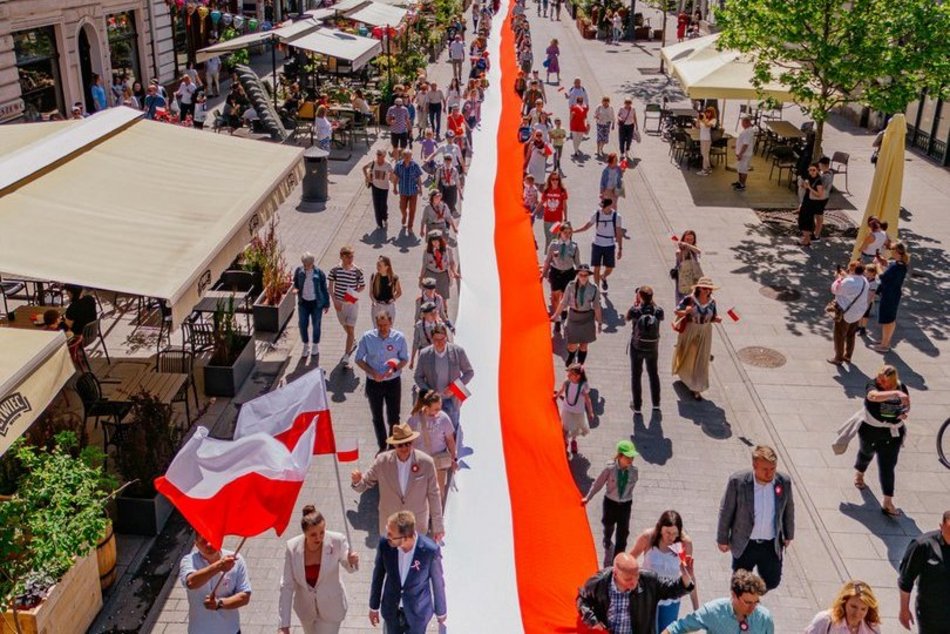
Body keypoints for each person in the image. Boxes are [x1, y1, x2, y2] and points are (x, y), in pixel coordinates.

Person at [716, 445, 795, 591]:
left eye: (773, 468)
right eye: (765, 469)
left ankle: (753, 598)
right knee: (740, 585)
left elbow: (788, 508)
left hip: (770, 544)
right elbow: (726, 510)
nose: (769, 473)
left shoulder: (783, 482)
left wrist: (789, 534)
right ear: (754, 465)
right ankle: (744, 605)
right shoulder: (738, 482)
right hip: (745, 544)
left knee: (772, 581)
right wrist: (722, 539)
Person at [352, 425, 445, 540]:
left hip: (416, 525)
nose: (405, 448)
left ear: (412, 442)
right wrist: (357, 481)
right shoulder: (382, 461)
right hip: (391, 526)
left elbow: (434, 495)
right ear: (394, 444)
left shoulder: (426, 463)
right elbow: (364, 484)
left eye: (408, 443)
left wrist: (438, 526)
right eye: (400, 445)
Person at [278, 506, 359, 634]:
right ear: (304, 533)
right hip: (306, 609)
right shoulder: (292, 548)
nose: (319, 538)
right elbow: (287, 586)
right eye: (313, 534)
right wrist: (284, 624)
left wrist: (351, 561)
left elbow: (349, 566)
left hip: (331, 607)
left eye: (322, 532)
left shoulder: (337, 540)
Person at [577, 552, 694, 634]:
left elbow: (673, 588)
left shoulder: (649, 580)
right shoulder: (599, 583)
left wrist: (685, 576)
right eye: (628, 580)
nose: (634, 583)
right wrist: (592, 620)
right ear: (615, 574)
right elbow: (582, 599)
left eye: (636, 576)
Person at [368, 511, 447, 633]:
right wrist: (374, 607)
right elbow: (378, 576)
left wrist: (441, 612)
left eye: (391, 536)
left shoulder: (429, 551)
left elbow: (438, 583)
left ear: (405, 537)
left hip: (418, 613)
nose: (387, 537)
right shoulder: (385, 544)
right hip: (391, 610)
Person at [630, 510, 700, 633]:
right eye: (668, 532)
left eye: (675, 533)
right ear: (660, 527)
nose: (671, 537)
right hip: (648, 595)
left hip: (671, 597)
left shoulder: (684, 543)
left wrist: (696, 608)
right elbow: (630, 559)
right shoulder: (648, 537)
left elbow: (689, 576)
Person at [853, 364, 909, 516]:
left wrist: (904, 412)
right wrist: (894, 394)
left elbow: (906, 405)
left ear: (892, 381)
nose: (880, 382)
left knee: (888, 466)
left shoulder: (901, 387)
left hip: (892, 434)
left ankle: (887, 501)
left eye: (884, 381)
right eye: (879, 378)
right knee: (866, 453)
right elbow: (873, 396)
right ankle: (860, 472)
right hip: (871, 430)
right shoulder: (873, 385)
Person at [354, 312, 409, 452]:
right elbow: (358, 359)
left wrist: (394, 369)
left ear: (391, 322)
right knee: (377, 416)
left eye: (385, 325)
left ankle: (392, 446)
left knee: (394, 416)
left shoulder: (399, 338)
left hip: (393, 382)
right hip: (374, 382)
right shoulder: (368, 337)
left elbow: (404, 359)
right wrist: (372, 372)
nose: (382, 328)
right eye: (380, 326)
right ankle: (382, 446)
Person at [180, 533, 252, 634]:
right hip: (199, 630)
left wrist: (219, 604)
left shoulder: (237, 559)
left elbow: (244, 597)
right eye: (203, 541)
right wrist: (219, 566)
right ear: (196, 544)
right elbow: (191, 583)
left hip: (230, 630)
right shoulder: (189, 560)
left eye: (212, 539)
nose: (209, 544)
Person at [662, 570, 772, 634]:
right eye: (748, 602)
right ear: (734, 595)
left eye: (756, 602)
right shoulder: (713, 611)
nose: (753, 607)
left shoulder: (764, 618)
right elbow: (677, 628)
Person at [414, 324, 474, 432]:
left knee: (452, 430)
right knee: (435, 432)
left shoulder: (458, 351)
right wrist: (430, 392)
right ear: (432, 339)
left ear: (446, 337)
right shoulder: (425, 354)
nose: (439, 343)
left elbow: (469, 372)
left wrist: (454, 388)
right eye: (436, 340)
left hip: (453, 399)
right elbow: (418, 377)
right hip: (433, 402)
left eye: (442, 339)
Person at [582, 440, 639, 554]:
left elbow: (631, 487)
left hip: (625, 504)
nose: (630, 460)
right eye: (628, 457)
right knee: (608, 524)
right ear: (620, 456)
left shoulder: (634, 471)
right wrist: (588, 497)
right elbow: (598, 483)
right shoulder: (610, 469)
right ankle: (607, 537)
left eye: (632, 457)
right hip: (610, 503)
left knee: (623, 533)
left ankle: (617, 561)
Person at [898, 510, 950, 633]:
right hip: (931, 614)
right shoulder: (923, 545)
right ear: (941, 526)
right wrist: (904, 609)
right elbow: (906, 580)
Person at [671, 276, 720, 400]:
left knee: (701, 358)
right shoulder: (689, 299)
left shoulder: (712, 301)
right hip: (690, 329)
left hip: (705, 331)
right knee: (689, 355)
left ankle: (696, 388)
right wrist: (685, 312)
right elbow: (676, 312)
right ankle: (685, 376)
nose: (707, 291)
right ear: (699, 288)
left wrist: (716, 319)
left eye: (709, 289)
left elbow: (713, 316)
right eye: (705, 288)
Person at [407, 390, 459, 503]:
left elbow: (450, 440)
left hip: (439, 462)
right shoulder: (414, 420)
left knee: (438, 492)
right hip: (420, 462)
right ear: (426, 407)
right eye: (436, 408)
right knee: (420, 492)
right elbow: (407, 441)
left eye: (440, 407)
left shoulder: (444, 418)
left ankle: (435, 517)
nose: (439, 410)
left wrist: (454, 458)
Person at [553, 264, 602, 366]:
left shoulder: (594, 288)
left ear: (588, 276)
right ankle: (571, 355)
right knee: (572, 345)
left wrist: (600, 322)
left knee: (584, 345)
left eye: (585, 275)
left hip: (587, 317)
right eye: (581, 275)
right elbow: (563, 302)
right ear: (577, 275)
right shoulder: (571, 286)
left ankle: (580, 365)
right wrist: (556, 315)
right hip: (574, 317)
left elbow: (597, 306)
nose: (583, 277)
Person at [626, 285, 664, 414]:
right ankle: (656, 403)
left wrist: (636, 305)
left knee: (636, 375)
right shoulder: (658, 311)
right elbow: (661, 317)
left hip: (637, 346)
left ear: (640, 296)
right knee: (653, 374)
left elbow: (627, 318)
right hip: (652, 347)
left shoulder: (635, 310)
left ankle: (637, 406)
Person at [327, 246, 365, 367]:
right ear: (342, 257)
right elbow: (330, 288)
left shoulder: (357, 271)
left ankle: (346, 356)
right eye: (348, 257)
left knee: (350, 329)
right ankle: (352, 341)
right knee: (345, 326)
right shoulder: (335, 270)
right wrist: (335, 301)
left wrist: (354, 293)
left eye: (352, 257)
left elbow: (362, 286)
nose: (351, 259)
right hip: (339, 303)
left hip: (352, 304)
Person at [575, 198, 623, 291]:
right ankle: (597, 289)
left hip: (609, 244)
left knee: (610, 267)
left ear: (610, 206)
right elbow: (587, 226)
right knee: (596, 267)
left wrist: (620, 248)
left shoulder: (616, 216)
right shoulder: (597, 214)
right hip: (597, 243)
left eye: (604, 207)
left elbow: (619, 232)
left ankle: (604, 276)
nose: (602, 208)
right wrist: (574, 231)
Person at [827, 261, 869, 366]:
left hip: (845, 313)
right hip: (858, 312)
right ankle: (848, 355)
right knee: (851, 334)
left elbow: (835, 290)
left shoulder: (848, 282)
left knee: (839, 335)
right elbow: (853, 281)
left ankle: (838, 358)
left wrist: (838, 278)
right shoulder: (865, 281)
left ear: (852, 270)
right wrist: (846, 276)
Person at [541, 222, 580, 334]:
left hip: (568, 273)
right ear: (560, 233)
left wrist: (580, 277)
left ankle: (564, 310)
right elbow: (548, 260)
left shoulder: (574, 246)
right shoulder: (554, 245)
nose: (567, 235)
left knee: (565, 296)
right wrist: (543, 273)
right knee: (555, 296)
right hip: (556, 272)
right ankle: (557, 319)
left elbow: (577, 263)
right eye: (565, 232)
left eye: (569, 233)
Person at [803, 580, 881, 634]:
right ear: (844, 602)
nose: (857, 614)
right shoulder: (825, 621)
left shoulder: (872, 626)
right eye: (853, 607)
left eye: (863, 609)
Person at [872, 241, 909, 351]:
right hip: (893, 294)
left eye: (892, 250)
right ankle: (885, 340)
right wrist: (885, 263)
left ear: (897, 252)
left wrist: (878, 266)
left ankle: (884, 345)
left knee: (887, 321)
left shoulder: (897, 266)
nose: (890, 252)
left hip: (889, 295)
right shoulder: (900, 264)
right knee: (890, 320)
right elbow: (891, 269)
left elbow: (883, 277)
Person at [293, 253, 331, 358]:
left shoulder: (319, 273)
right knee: (302, 324)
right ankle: (305, 344)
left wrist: (326, 304)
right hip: (303, 303)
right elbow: (295, 282)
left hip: (316, 303)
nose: (306, 266)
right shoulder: (299, 271)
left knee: (316, 324)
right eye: (304, 264)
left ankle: (315, 344)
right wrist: (296, 289)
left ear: (312, 263)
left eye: (308, 264)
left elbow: (324, 289)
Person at [556, 363, 593, 456]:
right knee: (565, 428)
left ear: (578, 376)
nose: (568, 375)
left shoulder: (583, 386)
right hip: (567, 409)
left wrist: (590, 412)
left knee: (575, 428)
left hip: (578, 411)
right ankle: (565, 443)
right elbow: (562, 390)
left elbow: (587, 399)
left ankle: (573, 441)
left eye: (570, 374)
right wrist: (555, 396)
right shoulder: (567, 382)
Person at [419, 232, 459, 310]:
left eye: (437, 240)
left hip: (443, 275)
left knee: (443, 300)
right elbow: (424, 265)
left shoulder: (447, 250)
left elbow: (451, 262)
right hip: (431, 274)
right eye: (433, 241)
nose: (435, 243)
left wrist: (454, 272)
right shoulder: (427, 251)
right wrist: (421, 278)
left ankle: (445, 316)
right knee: (429, 298)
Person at [393, 149, 424, 233]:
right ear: (402, 156)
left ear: (411, 156)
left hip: (413, 191)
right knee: (402, 207)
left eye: (409, 156)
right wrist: (395, 187)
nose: (408, 158)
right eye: (406, 156)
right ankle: (404, 215)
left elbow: (418, 178)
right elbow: (396, 177)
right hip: (403, 191)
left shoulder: (415, 165)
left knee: (412, 209)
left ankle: (410, 226)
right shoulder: (398, 165)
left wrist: (420, 189)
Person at [364, 149, 394, 230]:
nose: (378, 156)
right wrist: (367, 177)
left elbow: (392, 173)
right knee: (376, 205)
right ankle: (379, 223)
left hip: (384, 187)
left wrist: (392, 180)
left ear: (384, 156)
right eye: (377, 154)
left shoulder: (387, 164)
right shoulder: (373, 162)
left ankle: (385, 218)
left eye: (380, 154)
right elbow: (364, 168)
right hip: (375, 186)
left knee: (383, 205)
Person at [796, 163, 825, 247]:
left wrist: (809, 188)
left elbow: (819, 194)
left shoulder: (818, 181)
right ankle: (807, 239)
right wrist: (804, 185)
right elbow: (805, 187)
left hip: (812, 203)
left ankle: (806, 240)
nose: (811, 172)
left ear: (817, 170)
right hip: (806, 200)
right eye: (810, 170)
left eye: (813, 170)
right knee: (803, 218)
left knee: (807, 220)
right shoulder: (809, 178)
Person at [370, 255, 403, 325]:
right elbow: (371, 293)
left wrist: (393, 299)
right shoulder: (374, 277)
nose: (377, 267)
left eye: (380, 266)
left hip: (389, 306)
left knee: (388, 328)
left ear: (387, 267)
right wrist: (374, 301)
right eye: (377, 265)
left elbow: (399, 292)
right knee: (376, 328)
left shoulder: (394, 278)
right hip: (377, 306)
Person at [673, 230, 702, 305]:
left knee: (695, 297)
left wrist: (687, 245)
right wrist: (683, 249)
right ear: (683, 239)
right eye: (687, 239)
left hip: (694, 277)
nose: (689, 241)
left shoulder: (693, 248)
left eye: (691, 239)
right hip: (683, 279)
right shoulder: (679, 250)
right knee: (683, 298)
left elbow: (699, 251)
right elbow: (678, 256)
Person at [812, 156, 834, 240]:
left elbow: (821, 187)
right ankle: (816, 232)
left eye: (820, 164)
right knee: (818, 215)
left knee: (818, 216)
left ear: (823, 164)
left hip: (821, 198)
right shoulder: (830, 173)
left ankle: (816, 234)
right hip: (824, 197)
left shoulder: (825, 177)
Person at [732, 115, 754, 191]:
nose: (741, 124)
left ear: (746, 122)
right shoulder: (748, 130)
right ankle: (739, 181)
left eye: (742, 123)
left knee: (743, 170)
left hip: (744, 155)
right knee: (740, 169)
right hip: (742, 153)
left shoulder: (748, 131)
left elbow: (745, 144)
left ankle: (742, 184)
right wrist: (736, 146)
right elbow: (743, 142)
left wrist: (740, 154)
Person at [695, 108, 716, 175]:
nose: (707, 114)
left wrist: (703, 119)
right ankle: (709, 168)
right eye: (706, 112)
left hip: (707, 139)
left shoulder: (713, 120)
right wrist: (698, 119)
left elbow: (707, 125)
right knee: (704, 154)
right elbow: (697, 126)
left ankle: (704, 170)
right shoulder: (704, 119)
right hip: (702, 138)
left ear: (712, 113)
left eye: (709, 112)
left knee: (705, 155)